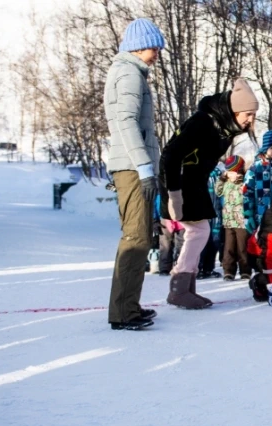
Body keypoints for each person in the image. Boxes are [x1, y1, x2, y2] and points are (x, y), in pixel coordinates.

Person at [161, 78, 259, 309]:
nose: (250, 120)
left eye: (253, 115)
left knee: (199, 231)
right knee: (199, 231)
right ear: (234, 110)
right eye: (247, 114)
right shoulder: (203, 122)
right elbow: (171, 155)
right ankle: (179, 287)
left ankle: (186, 287)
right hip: (181, 183)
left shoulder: (223, 126)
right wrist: (174, 194)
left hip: (195, 182)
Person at [103, 18, 166, 331]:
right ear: (139, 46)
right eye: (154, 46)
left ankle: (126, 307)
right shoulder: (128, 73)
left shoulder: (129, 72)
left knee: (138, 237)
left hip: (129, 166)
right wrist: (144, 167)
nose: (157, 52)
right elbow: (126, 123)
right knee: (136, 238)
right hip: (131, 167)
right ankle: (124, 312)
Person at [215, 156, 251, 281]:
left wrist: (242, 181)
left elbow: (248, 196)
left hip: (241, 221)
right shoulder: (226, 183)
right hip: (228, 221)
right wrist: (221, 178)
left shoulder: (244, 182)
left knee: (242, 248)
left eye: (232, 171)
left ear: (238, 171)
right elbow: (218, 191)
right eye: (228, 172)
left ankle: (245, 270)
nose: (230, 174)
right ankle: (228, 271)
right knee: (228, 248)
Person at [198, 165, 224, 279]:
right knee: (200, 242)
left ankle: (209, 268)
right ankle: (198, 269)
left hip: (216, 213)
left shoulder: (220, 172)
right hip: (201, 213)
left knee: (214, 241)